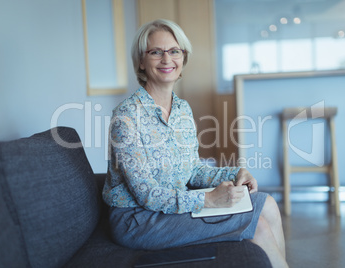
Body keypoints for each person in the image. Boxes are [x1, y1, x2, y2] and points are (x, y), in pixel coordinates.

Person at [103, 19, 288, 267]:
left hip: (175, 205)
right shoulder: (125, 118)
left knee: (268, 203)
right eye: (156, 52)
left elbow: (192, 170)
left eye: (174, 51)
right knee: (260, 228)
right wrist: (208, 200)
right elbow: (146, 194)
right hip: (138, 220)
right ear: (141, 61)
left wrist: (235, 174)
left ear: (183, 59)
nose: (167, 59)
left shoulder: (181, 109)